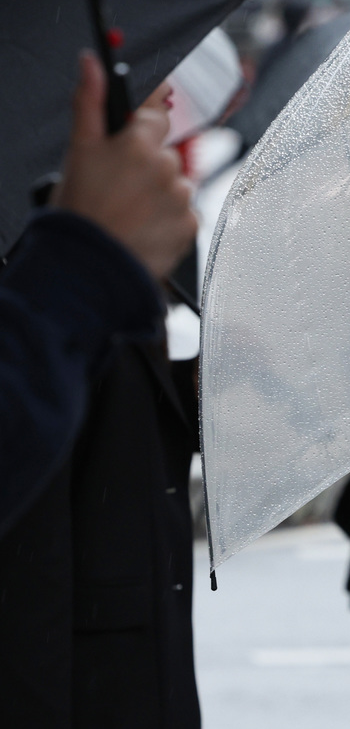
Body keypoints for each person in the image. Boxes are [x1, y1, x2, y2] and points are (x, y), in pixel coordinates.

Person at [0, 52, 201, 728]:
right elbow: (31, 561)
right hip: (73, 678)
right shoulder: (38, 238)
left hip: (141, 656)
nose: (171, 86)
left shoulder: (125, 217)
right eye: (148, 60)